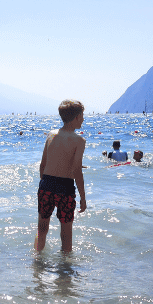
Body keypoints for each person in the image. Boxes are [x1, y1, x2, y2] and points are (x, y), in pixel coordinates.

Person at [35, 99, 87, 253]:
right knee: (66, 232)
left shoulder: (51, 135)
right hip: (65, 188)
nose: (83, 119)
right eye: (82, 116)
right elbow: (77, 171)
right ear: (76, 117)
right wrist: (83, 197)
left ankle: (37, 260)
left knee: (42, 228)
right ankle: (65, 266)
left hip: (46, 184)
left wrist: (44, 185)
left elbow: (43, 164)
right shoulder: (79, 140)